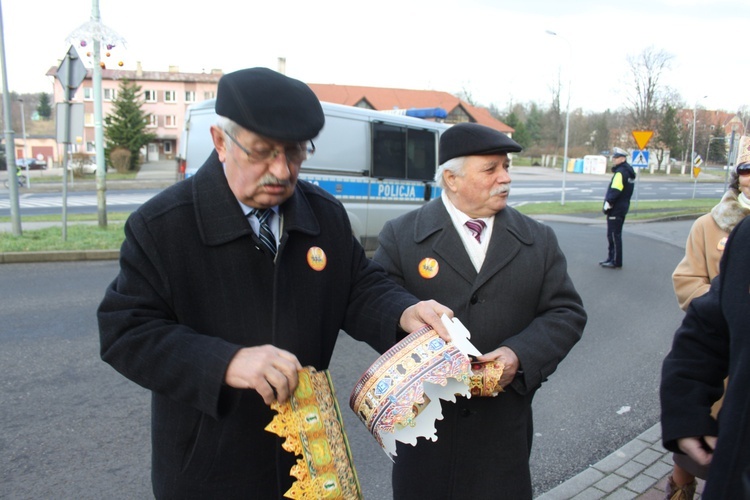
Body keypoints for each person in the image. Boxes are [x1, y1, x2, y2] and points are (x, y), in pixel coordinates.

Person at [97, 67, 453, 499]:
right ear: (220, 142)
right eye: (263, 152)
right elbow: (126, 331)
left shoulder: (323, 215)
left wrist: (403, 311)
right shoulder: (163, 226)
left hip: (310, 459)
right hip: (209, 468)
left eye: (295, 153)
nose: (282, 170)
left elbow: (359, 285)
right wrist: (226, 362)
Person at [372, 122, 587, 499]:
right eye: (491, 169)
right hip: (426, 431)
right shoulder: (402, 236)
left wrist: (519, 355)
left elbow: (566, 313)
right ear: (452, 179)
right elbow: (375, 304)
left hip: (501, 435)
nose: (505, 178)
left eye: (506, 167)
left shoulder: (538, 239)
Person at [664, 137, 750, 499]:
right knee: (698, 454)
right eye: (746, 170)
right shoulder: (716, 226)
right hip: (726, 379)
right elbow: (690, 288)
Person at [599, 146, 636, 269]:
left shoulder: (620, 173)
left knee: (614, 235)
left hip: (616, 208)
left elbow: (615, 191)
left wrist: (607, 205)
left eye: (616, 157)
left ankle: (615, 260)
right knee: (615, 234)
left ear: (622, 159)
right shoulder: (628, 172)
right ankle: (612, 258)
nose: (614, 159)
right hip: (623, 206)